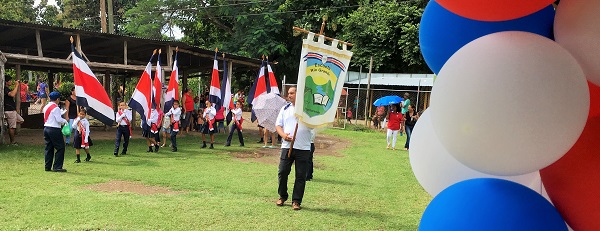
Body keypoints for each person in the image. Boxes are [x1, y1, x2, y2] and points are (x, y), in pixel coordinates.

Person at [275, 86, 313, 211]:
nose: (289, 95)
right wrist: (283, 135)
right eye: (288, 93)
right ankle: (282, 196)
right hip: (287, 147)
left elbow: (314, 125)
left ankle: (296, 201)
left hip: (303, 147)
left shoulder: (307, 109)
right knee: (282, 172)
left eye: (292, 93)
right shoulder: (285, 109)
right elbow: (278, 125)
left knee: (301, 175)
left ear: (298, 94)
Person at [43, 91, 68, 172]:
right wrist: (64, 121)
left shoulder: (46, 106)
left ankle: (47, 166)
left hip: (46, 127)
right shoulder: (56, 108)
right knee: (60, 147)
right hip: (54, 128)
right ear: (57, 99)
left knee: (49, 148)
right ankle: (57, 166)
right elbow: (58, 119)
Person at [4, 75, 25, 145]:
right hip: (9, 110)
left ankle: (9, 123)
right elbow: (12, 94)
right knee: (12, 127)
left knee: (21, 120)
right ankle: (12, 142)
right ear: (6, 82)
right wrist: (16, 86)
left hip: (12, 110)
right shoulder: (5, 89)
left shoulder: (8, 89)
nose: (11, 82)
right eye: (9, 80)